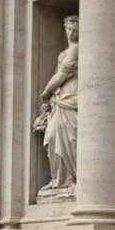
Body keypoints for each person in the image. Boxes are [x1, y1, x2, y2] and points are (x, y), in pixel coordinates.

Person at [34, 16, 79, 192]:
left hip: (71, 95)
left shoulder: (76, 49)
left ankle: (72, 178)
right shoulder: (63, 52)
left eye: (74, 28)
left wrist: (47, 90)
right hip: (60, 98)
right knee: (53, 135)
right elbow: (58, 73)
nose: (71, 32)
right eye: (68, 28)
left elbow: (63, 74)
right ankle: (58, 179)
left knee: (70, 137)